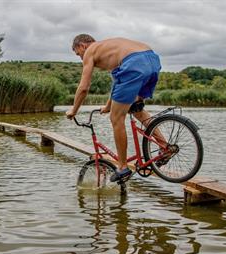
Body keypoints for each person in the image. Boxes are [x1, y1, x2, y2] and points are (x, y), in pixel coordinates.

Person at [65, 34, 162, 182]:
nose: (81, 58)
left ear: (82, 46)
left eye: (78, 54)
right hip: (152, 59)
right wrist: (108, 106)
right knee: (137, 110)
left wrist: (74, 110)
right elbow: (118, 82)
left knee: (116, 118)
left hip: (134, 64)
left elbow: (84, 87)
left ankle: (123, 167)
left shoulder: (90, 51)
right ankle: (165, 146)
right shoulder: (110, 49)